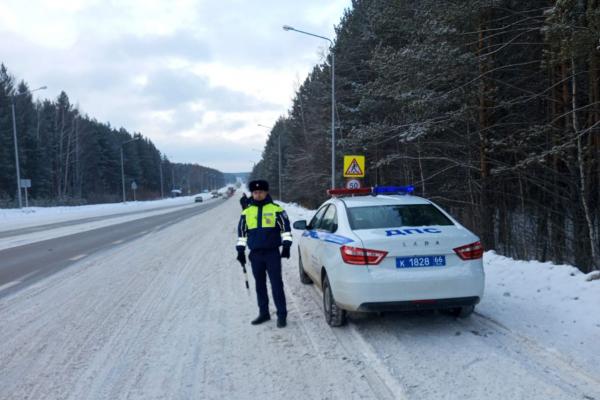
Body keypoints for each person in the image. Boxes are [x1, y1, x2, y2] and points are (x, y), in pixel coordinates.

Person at [236, 179, 292, 328]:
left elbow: (285, 229)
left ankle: (282, 315)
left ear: (266, 192)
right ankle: (264, 313)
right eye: (255, 192)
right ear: (252, 193)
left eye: (261, 192)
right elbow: (242, 234)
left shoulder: (276, 209)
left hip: (272, 254)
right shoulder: (247, 212)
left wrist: (286, 245)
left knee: (276, 285)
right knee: (260, 286)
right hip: (255, 255)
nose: (258, 194)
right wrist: (240, 251)